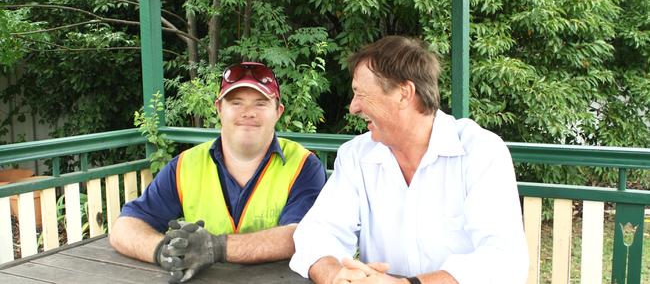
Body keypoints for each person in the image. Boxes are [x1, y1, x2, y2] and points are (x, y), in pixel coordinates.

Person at [290, 36, 528, 284]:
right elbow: (317, 232)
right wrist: (335, 275)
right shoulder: (356, 156)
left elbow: (504, 260)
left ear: (404, 94)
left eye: (361, 94)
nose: (353, 107)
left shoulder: (481, 151)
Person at [110, 61, 327, 283]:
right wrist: (164, 251)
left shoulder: (304, 165)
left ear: (278, 112)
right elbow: (125, 227)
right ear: (219, 109)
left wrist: (215, 247)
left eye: (261, 104)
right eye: (236, 102)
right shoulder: (185, 165)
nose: (248, 113)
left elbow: (301, 235)